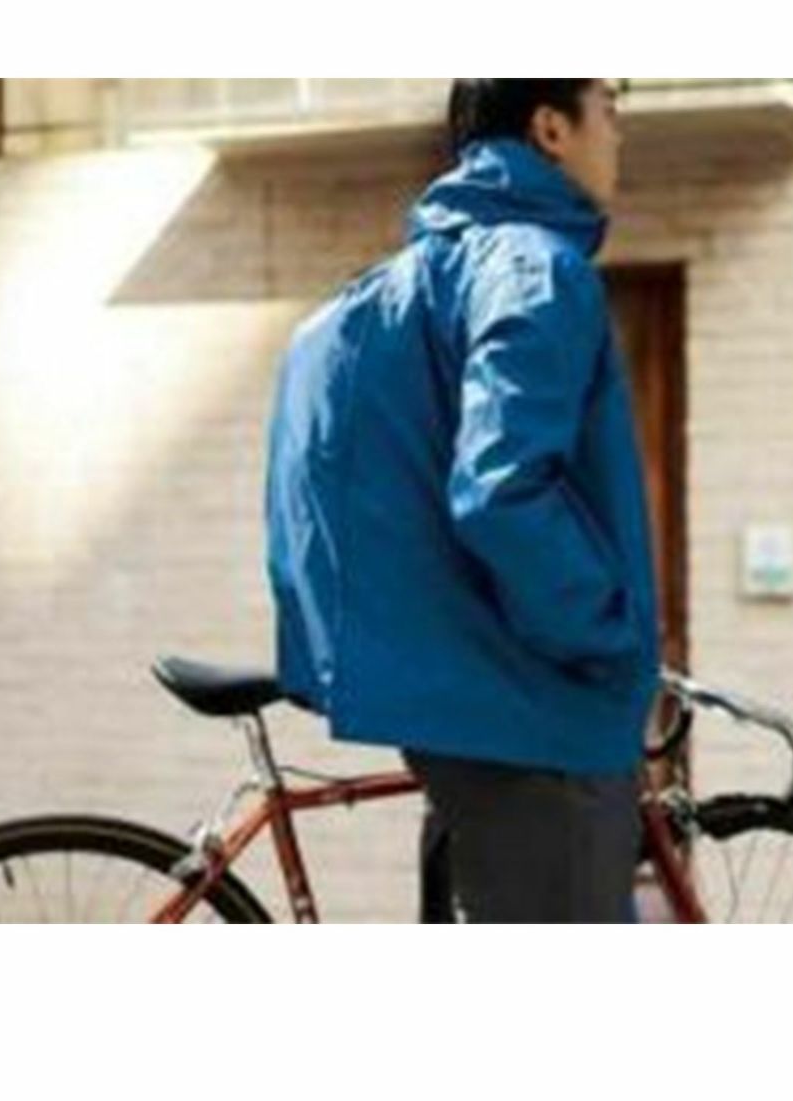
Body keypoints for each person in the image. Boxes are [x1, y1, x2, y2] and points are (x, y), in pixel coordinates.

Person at [264, 79, 661, 922]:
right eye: (610, 111)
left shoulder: (379, 295)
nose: (621, 137)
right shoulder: (534, 268)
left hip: (457, 707)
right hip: (540, 720)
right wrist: (607, 634)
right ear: (551, 128)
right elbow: (500, 489)